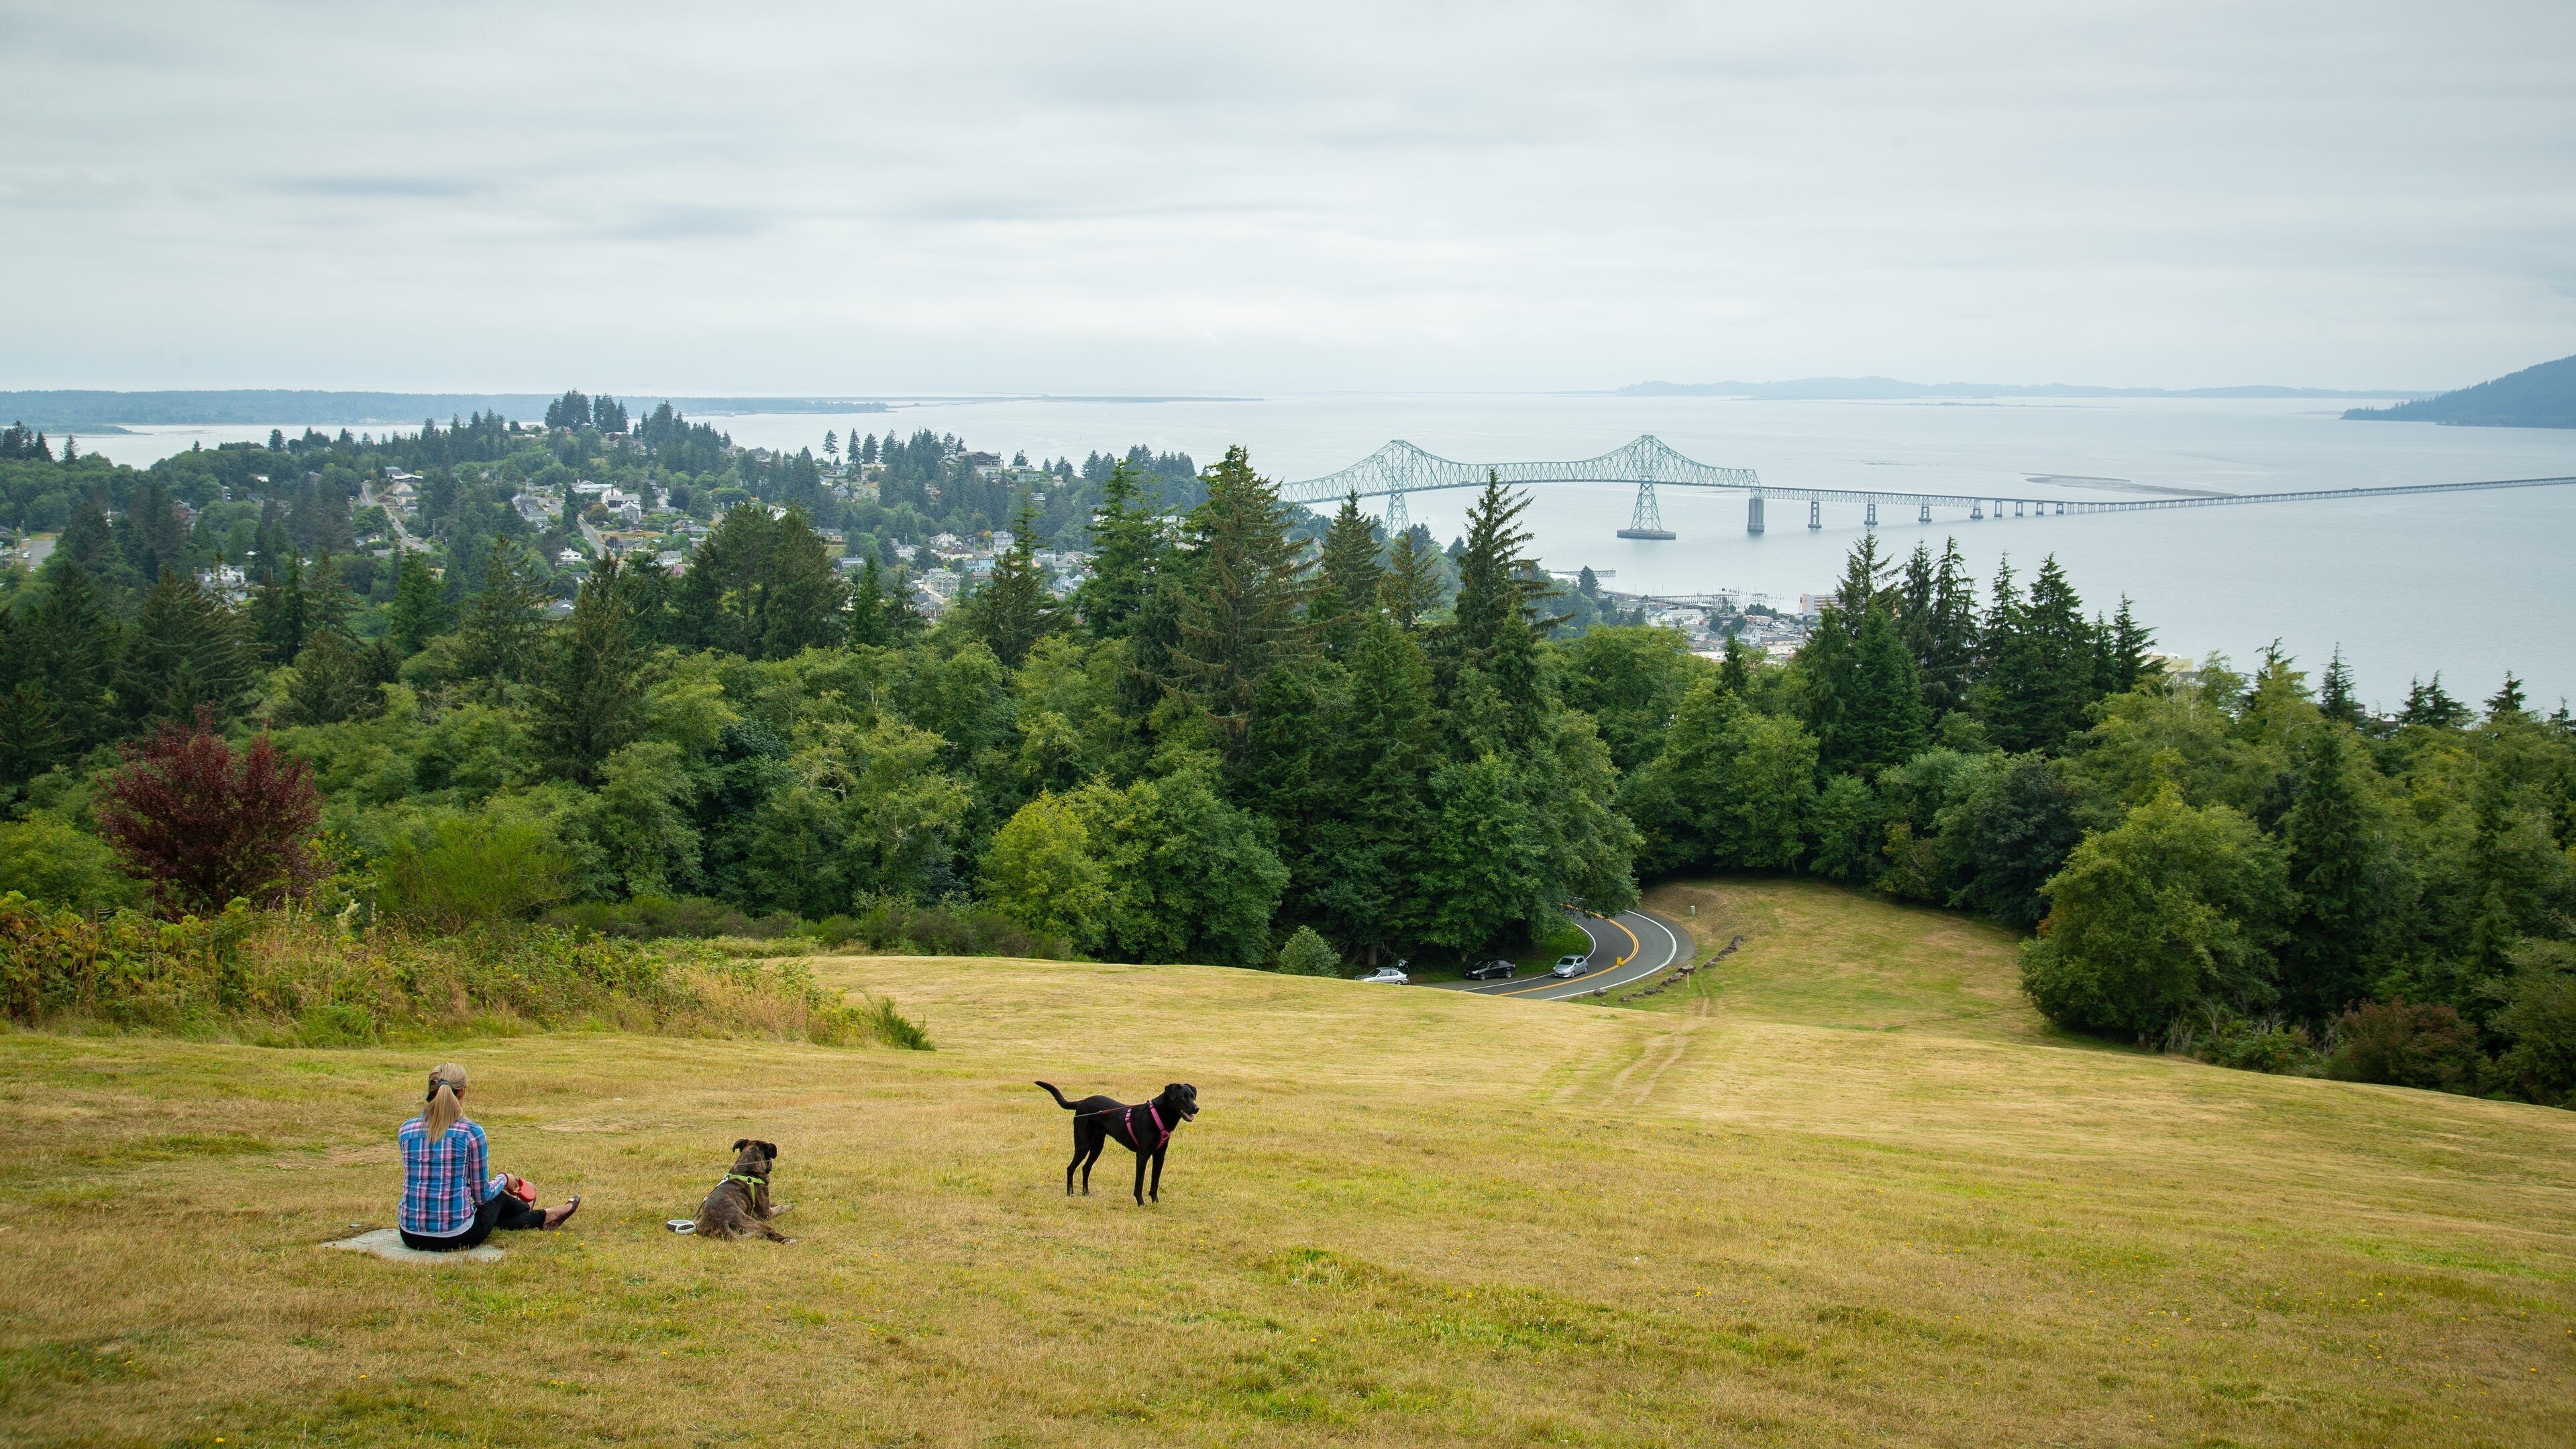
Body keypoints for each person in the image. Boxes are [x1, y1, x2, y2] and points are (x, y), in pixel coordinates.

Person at [397, 1063, 579, 1250]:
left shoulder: (406, 1129)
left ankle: (539, 1214)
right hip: (457, 1235)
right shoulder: (471, 1133)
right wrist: (504, 1179)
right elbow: (482, 1195)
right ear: (462, 1092)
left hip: (410, 1235)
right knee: (496, 1199)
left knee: (495, 1216)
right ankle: (535, 1211)